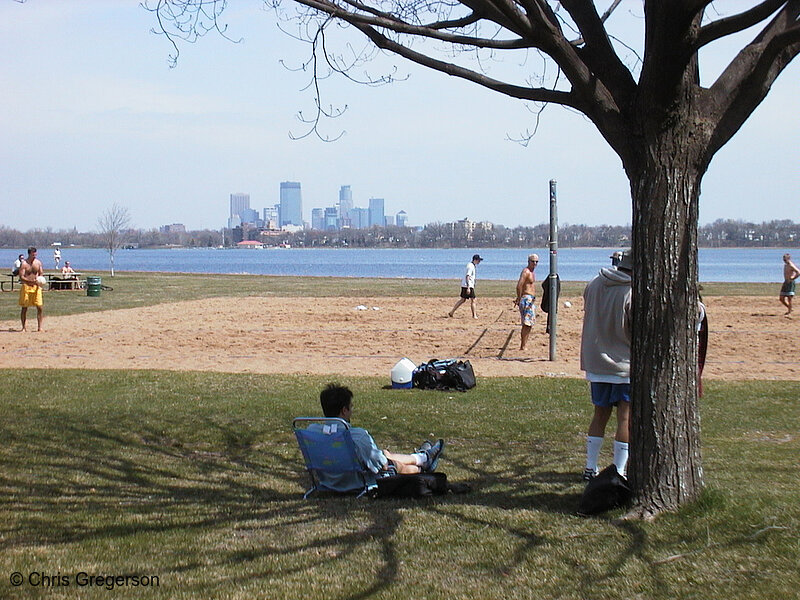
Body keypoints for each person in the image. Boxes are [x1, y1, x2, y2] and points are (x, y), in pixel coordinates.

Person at [307, 384, 445, 492]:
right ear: (344, 410)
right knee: (393, 464)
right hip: (357, 481)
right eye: (351, 407)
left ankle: (423, 457)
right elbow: (383, 465)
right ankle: (423, 465)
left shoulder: (312, 432)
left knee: (384, 454)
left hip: (328, 480)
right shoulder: (356, 436)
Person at [580, 249, 632, 480]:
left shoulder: (594, 284)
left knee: (599, 415)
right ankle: (619, 471)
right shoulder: (632, 292)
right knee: (625, 418)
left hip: (597, 363)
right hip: (624, 365)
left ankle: (590, 467)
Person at [514, 254, 538, 350]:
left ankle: (524, 344)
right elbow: (519, 286)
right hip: (526, 299)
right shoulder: (526, 272)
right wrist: (519, 298)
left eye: (536, 261)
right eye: (533, 261)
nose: (535, 263)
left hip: (531, 299)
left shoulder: (532, 272)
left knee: (530, 323)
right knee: (526, 324)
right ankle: (523, 346)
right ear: (528, 261)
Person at [18, 246, 45, 332]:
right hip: (26, 287)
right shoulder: (24, 264)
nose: (35, 256)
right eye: (33, 254)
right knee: (24, 308)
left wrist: (39, 280)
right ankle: (23, 327)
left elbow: (41, 273)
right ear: (29, 254)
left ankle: (40, 327)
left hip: (36, 287)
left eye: (35, 254)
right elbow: (21, 277)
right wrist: (30, 281)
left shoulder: (38, 263)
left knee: (40, 307)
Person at [449, 254, 483, 319]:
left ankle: (451, 312)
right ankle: (474, 315)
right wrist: (468, 287)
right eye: (478, 260)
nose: (479, 262)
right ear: (475, 260)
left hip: (466, 285)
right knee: (473, 300)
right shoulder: (471, 266)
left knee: (463, 300)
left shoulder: (472, 265)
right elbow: (467, 276)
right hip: (468, 285)